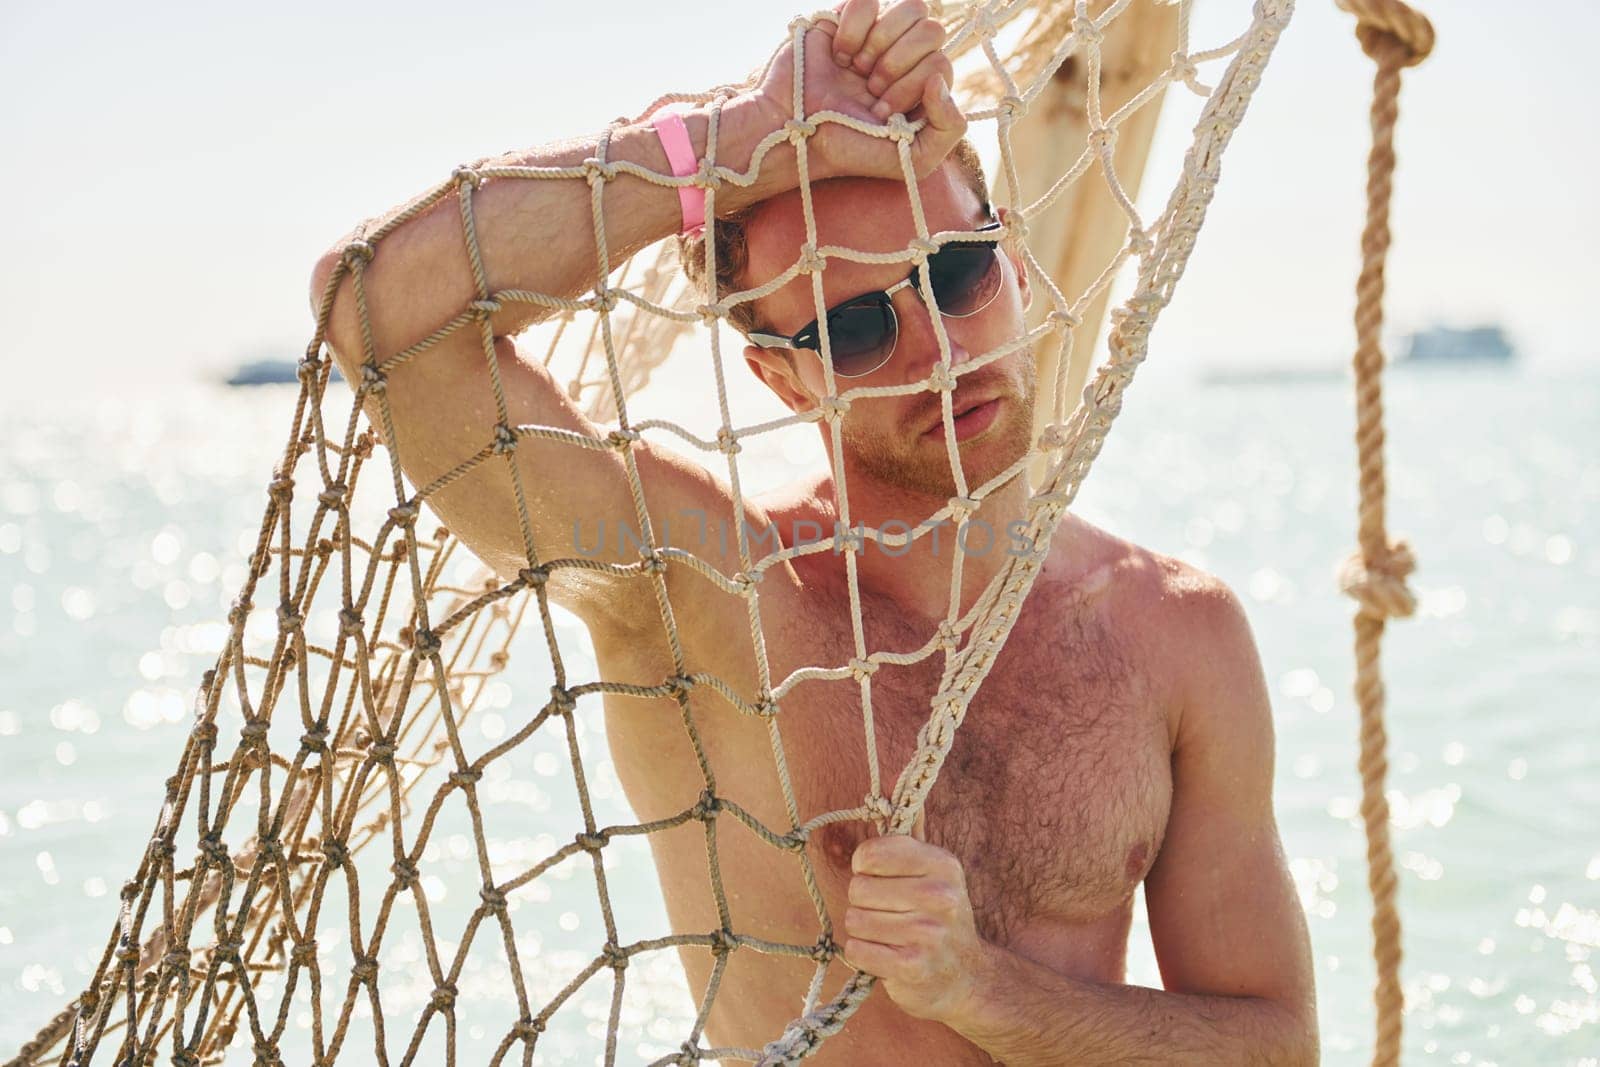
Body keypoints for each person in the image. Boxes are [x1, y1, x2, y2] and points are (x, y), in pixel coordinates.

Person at [310, 1, 1317, 1061]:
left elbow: (1273, 1043)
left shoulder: (1175, 632)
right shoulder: (703, 588)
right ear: (778, 375)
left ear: (1015, 264)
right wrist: (734, 141)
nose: (935, 348)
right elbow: (380, 314)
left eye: (957, 272)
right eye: (854, 326)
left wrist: (981, 989)